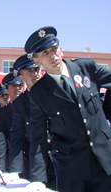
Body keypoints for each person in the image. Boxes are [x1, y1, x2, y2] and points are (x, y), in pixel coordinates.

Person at [24, 26, 111, 192]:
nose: (52, 56)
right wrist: (38, 178)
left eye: (54, 49)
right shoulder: (38, 93)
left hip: (105, 161)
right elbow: (38, 136)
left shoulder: (86, 68)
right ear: (37, 61)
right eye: (44, 53)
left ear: (61, 50)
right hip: (71, 169)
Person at [9, 54, 56, 189]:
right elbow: (17, 137)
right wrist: (15, 169)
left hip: (62, 158)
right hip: (37, 162)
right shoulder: (20, 104)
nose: (35, 74)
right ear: (21, 76)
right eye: (29, 71)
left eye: (36, 69)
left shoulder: (54, 91)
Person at [0, 73, 23, 173]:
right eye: (13, 86)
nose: (17, 88)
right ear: (7, 90)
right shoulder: (2, 113)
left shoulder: (33, 105)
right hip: (15, 158)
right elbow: (1, 141)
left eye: (19, 85)